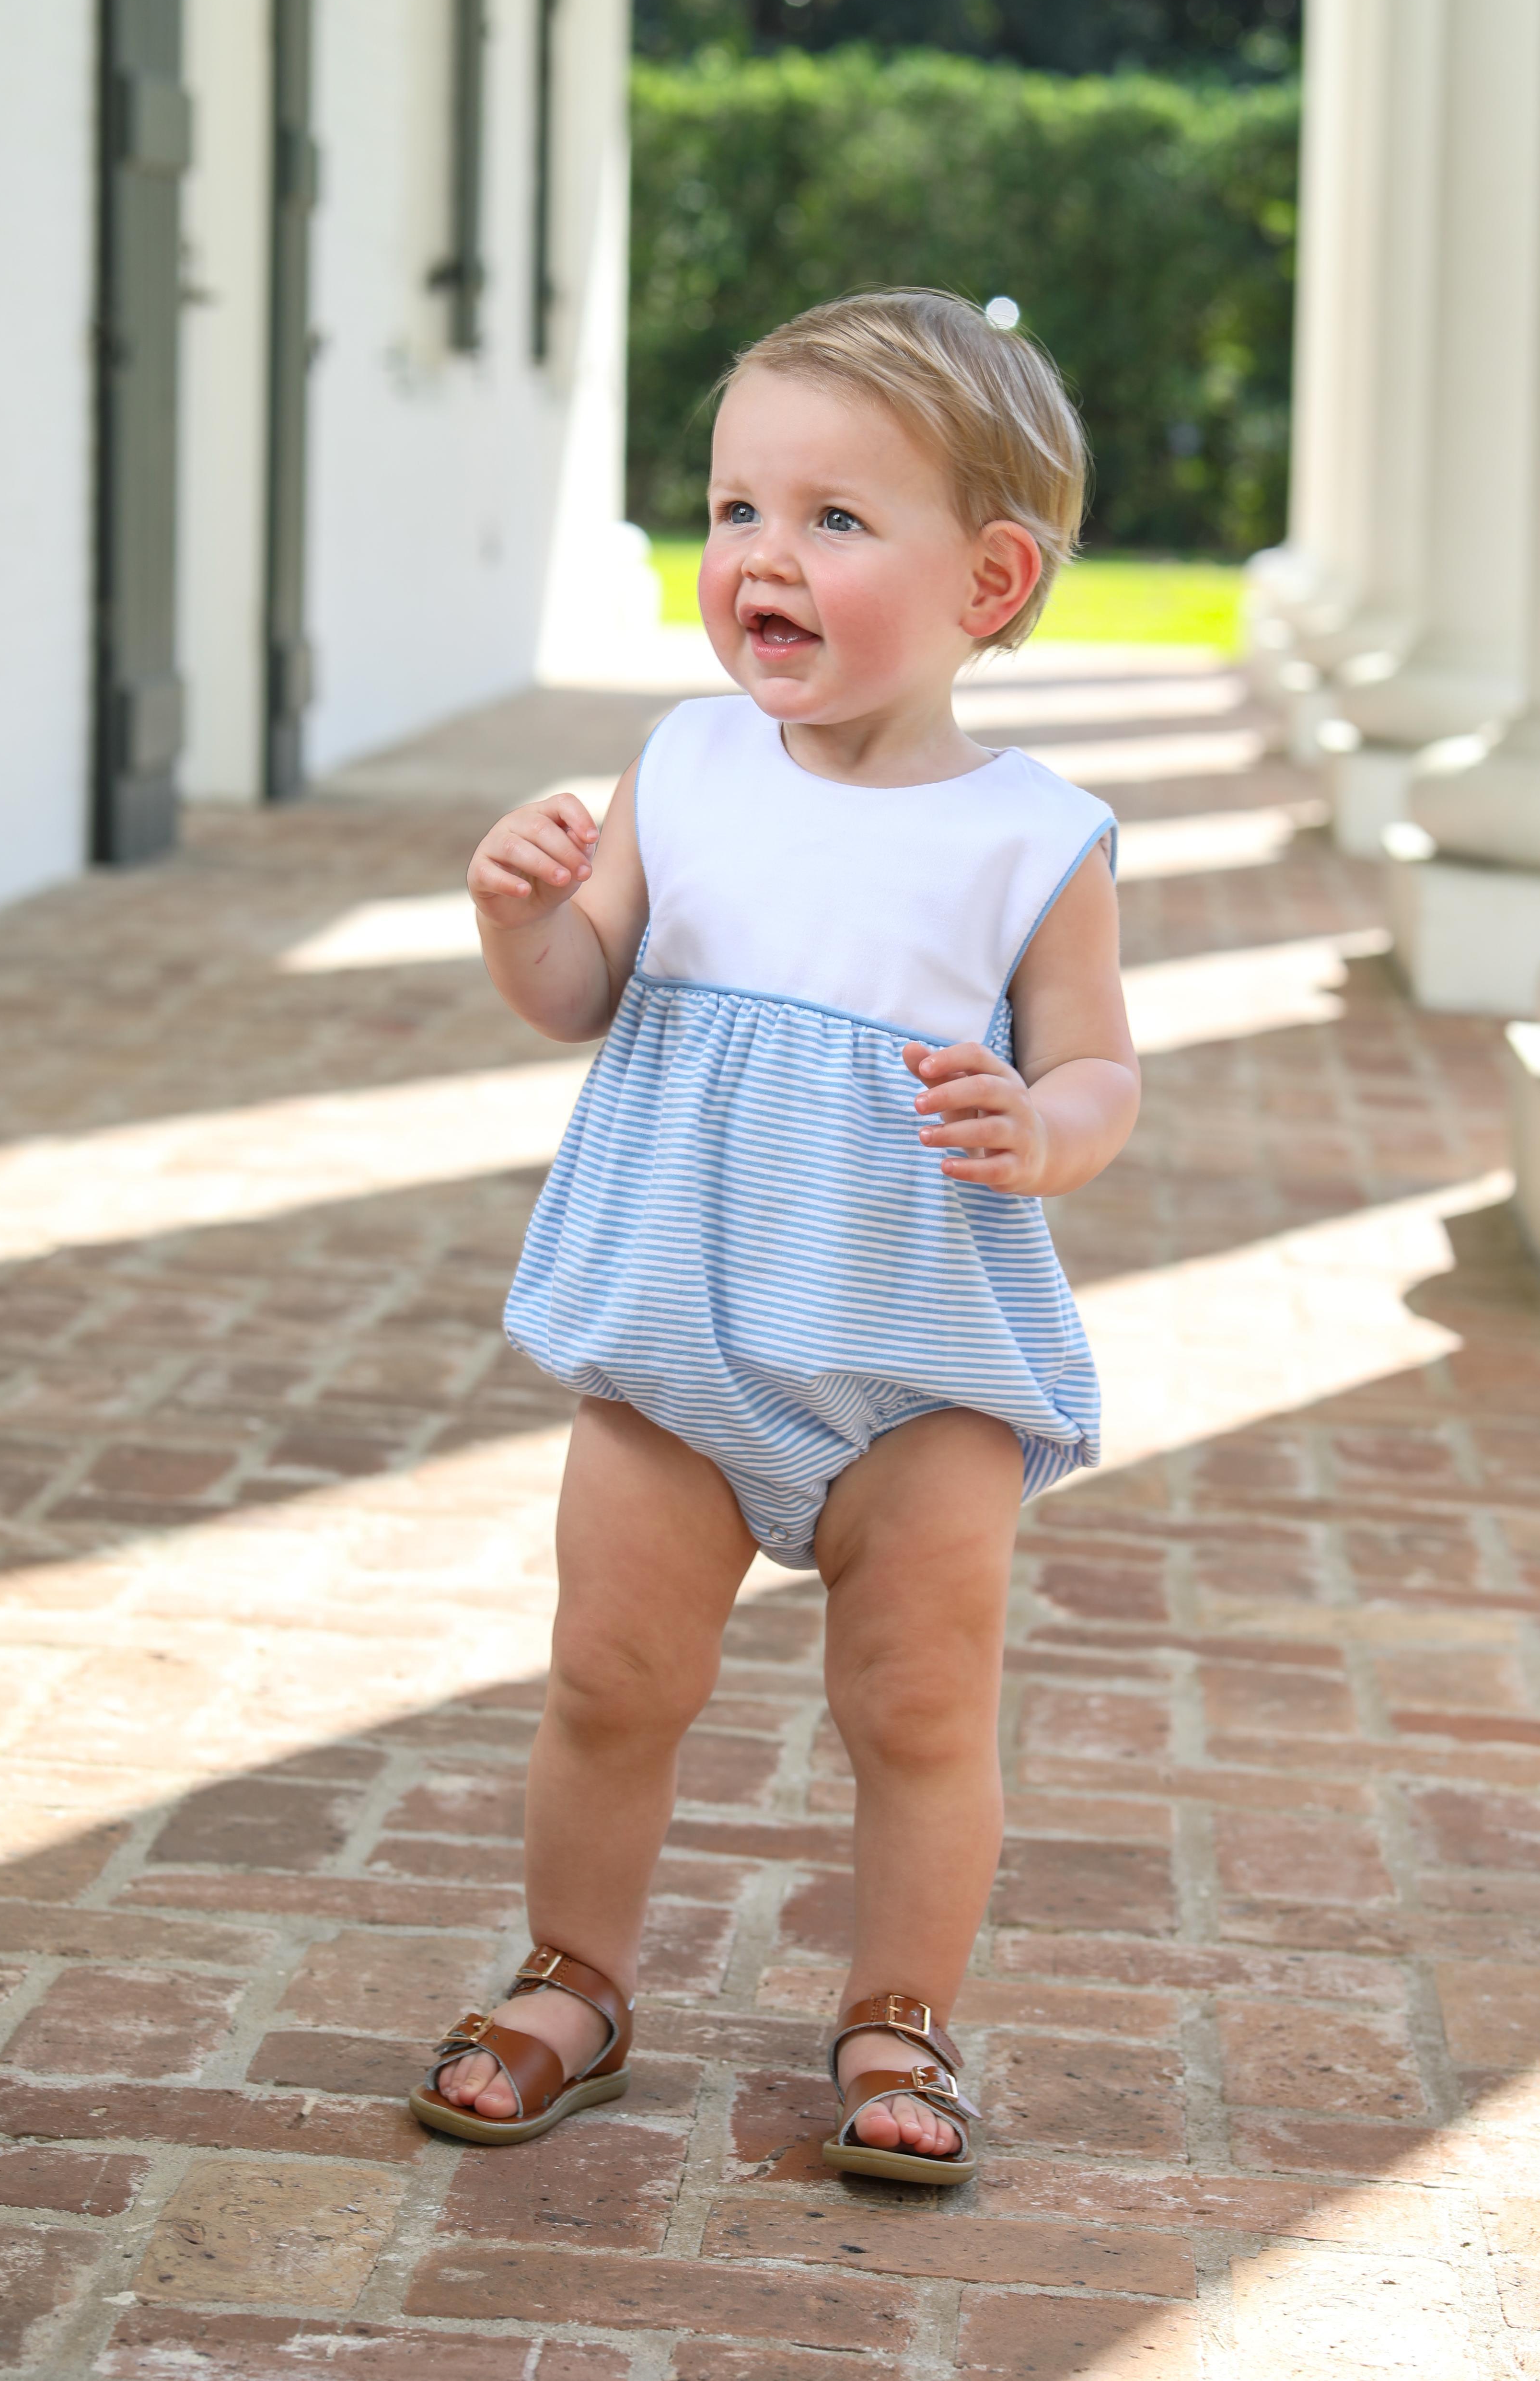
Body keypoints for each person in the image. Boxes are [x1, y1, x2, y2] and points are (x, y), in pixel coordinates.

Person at [407, 289, 1140, 2184]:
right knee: (609, 1674)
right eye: (736, 507)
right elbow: (578, 989)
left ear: (988, 579)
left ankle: (899, 2010)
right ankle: (574, 1975)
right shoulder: (685, 766)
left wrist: (1045, 1129)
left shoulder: (1032, 836)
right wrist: (518, 917)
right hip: (679, 1329)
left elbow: (1097, 1066)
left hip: (919, 1355)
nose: (761, 555)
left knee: (917, 1702)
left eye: (832, 517)